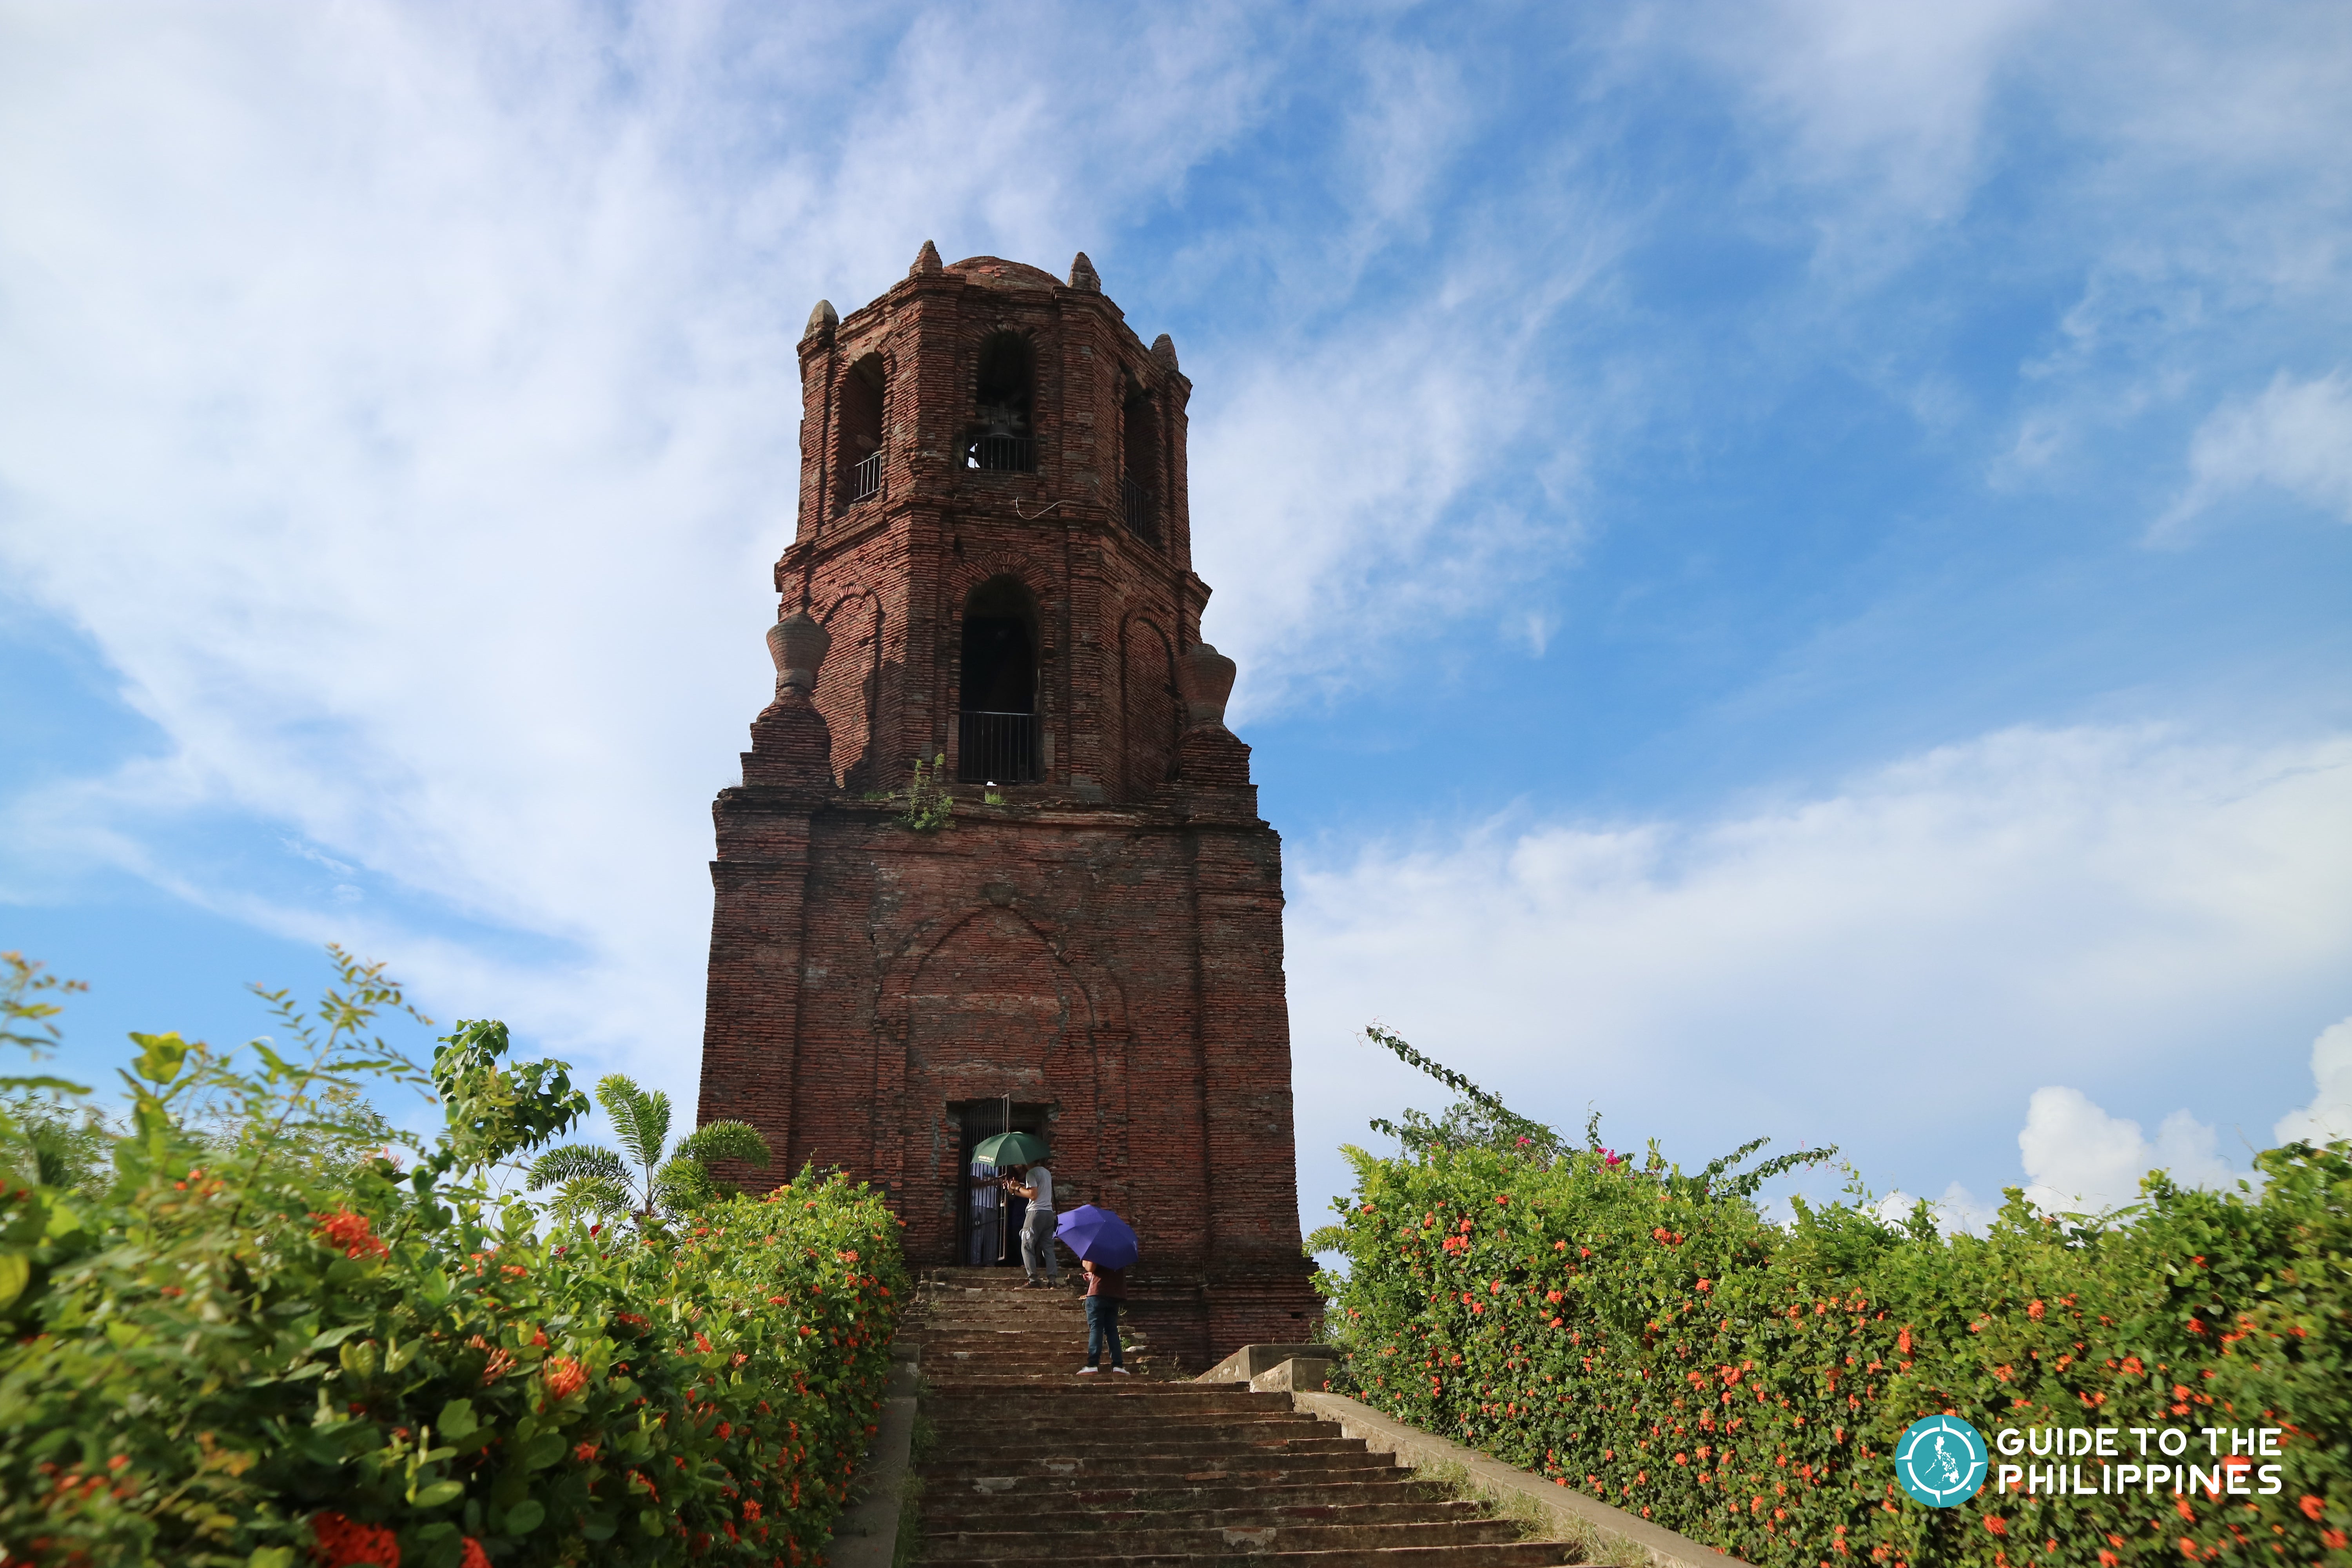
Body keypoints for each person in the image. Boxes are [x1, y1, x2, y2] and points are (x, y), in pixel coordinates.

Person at [1003, 1160, 1057, 1286]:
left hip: (1035, 1213)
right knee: (1048, 1247)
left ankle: (1033, 1280)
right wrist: (1014, 1191)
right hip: (1048, 1213)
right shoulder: (1047, 1173)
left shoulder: (1031, 1174)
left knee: (1026, 1245)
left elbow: (1033, 1196)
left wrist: (1017, 1187)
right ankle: (1053, 1280)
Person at [1076, 1256, 1129, 1374]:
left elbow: (1091, 1266)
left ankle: (1093, 1364)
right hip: (1115, 1293)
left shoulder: (1098, 1245)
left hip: (1098, 1293)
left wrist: (1085, 1262)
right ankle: (1118, 1365)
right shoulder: (1119, 1249)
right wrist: (1093, 1276)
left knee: (1096, 1328)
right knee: (1112, 1330)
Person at [966, 1154, 1002, 1265]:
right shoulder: (977, 1162)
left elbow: (1000, 1184)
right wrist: (994, 1182)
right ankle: (975, 1264)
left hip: (993, 1205)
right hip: (979, 1204)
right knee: (978, 1235)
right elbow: (974, 1182)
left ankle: (990, 1265)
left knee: (992, 1238)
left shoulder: (997, 1166)